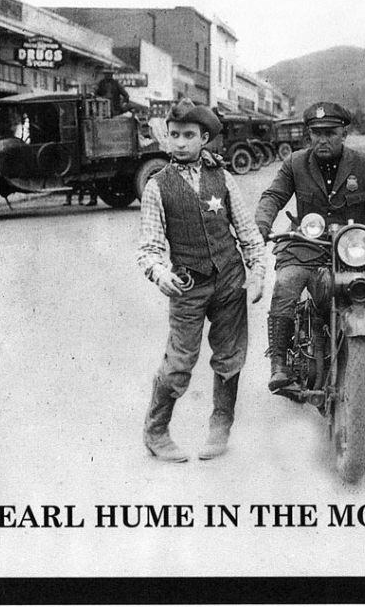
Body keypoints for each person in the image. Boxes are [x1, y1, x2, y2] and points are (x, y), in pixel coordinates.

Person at [254, 102, 365, 431]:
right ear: (309, 135)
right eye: (315, 134)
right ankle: (278, 364)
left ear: (344, 134)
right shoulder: (294, 163)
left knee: (362, 312)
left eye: (330, 133)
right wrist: (261, 223)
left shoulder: (364, 164)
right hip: (307, 247)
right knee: (287, 284)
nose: (322, 140)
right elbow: (273, 195)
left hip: (353, 250)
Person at [137, 100, 266, 463]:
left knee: (230, 357)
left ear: (204, 138)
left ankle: (220, 426)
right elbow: (148, 247)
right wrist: (160, 273)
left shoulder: (223, 178)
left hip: (230, 282)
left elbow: (247, 232)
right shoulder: (157, 186)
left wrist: (256, 273)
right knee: (179, 361)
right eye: (174, 135)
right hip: (187, 285)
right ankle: (156, 431)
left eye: (189, 135)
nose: (179, 143)